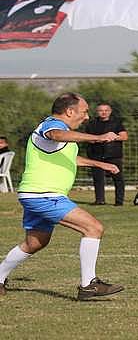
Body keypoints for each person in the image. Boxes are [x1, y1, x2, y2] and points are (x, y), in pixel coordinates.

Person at [0, 92, 124, 300]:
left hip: (36, 194)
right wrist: (98, 138)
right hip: (44, 195)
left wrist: (99, 164)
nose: (86, 117)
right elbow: (55, 135)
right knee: (93, 228)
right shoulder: (50, 126)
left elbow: (69, 157)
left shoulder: (63, 132)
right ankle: (89, 285)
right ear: (69, 111)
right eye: (84, 112)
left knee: (35, 243)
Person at [86, 103, 128, 206]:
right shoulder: (91, 124)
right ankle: (99, 200)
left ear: (110, 111)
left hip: (114, 155)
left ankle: (119, 202)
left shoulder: (117, 123)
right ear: (97, 112)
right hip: (96, 155)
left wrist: (112, 137)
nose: (103, 112)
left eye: (106, 110)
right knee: (98, 179)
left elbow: (124, 136)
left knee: (118, 178)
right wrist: (98, 139)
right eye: (101, 110)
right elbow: (87, 138)